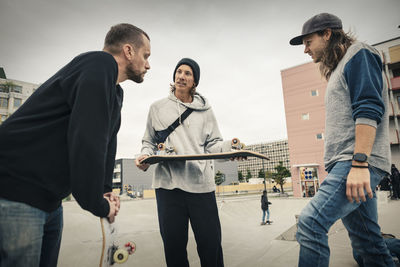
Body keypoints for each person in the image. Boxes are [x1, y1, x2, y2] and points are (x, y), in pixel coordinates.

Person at [0, 23, 151, 267]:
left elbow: (106, 142)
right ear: (128, 51)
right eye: (146, 55)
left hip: (50, 201)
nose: (148, 64)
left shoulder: (115, 92)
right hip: (16, 191)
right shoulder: (99, 65)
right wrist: (97, 204)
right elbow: (88, 139)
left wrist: (105, 190)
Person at [290, 13, 395, 266]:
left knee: (310, 223)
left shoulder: (359, 53)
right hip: (346, 164)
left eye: (308, 41)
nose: (305, 49)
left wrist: (359, 164)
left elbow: (369, 108)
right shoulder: (338, 67)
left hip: (356, 162)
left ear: (327, 34)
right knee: (367, 243)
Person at [136, 58, 237, 267]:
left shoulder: (206, 110)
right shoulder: (157, 108)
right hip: (167, 187)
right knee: (173, 249)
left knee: (211, 247)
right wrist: (145, 156)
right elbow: (149, 141)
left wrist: (230, 148)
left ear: (195, 81)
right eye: (179, 72)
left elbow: (214, 144)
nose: (182, 76)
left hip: (200, 186)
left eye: (188, 73)